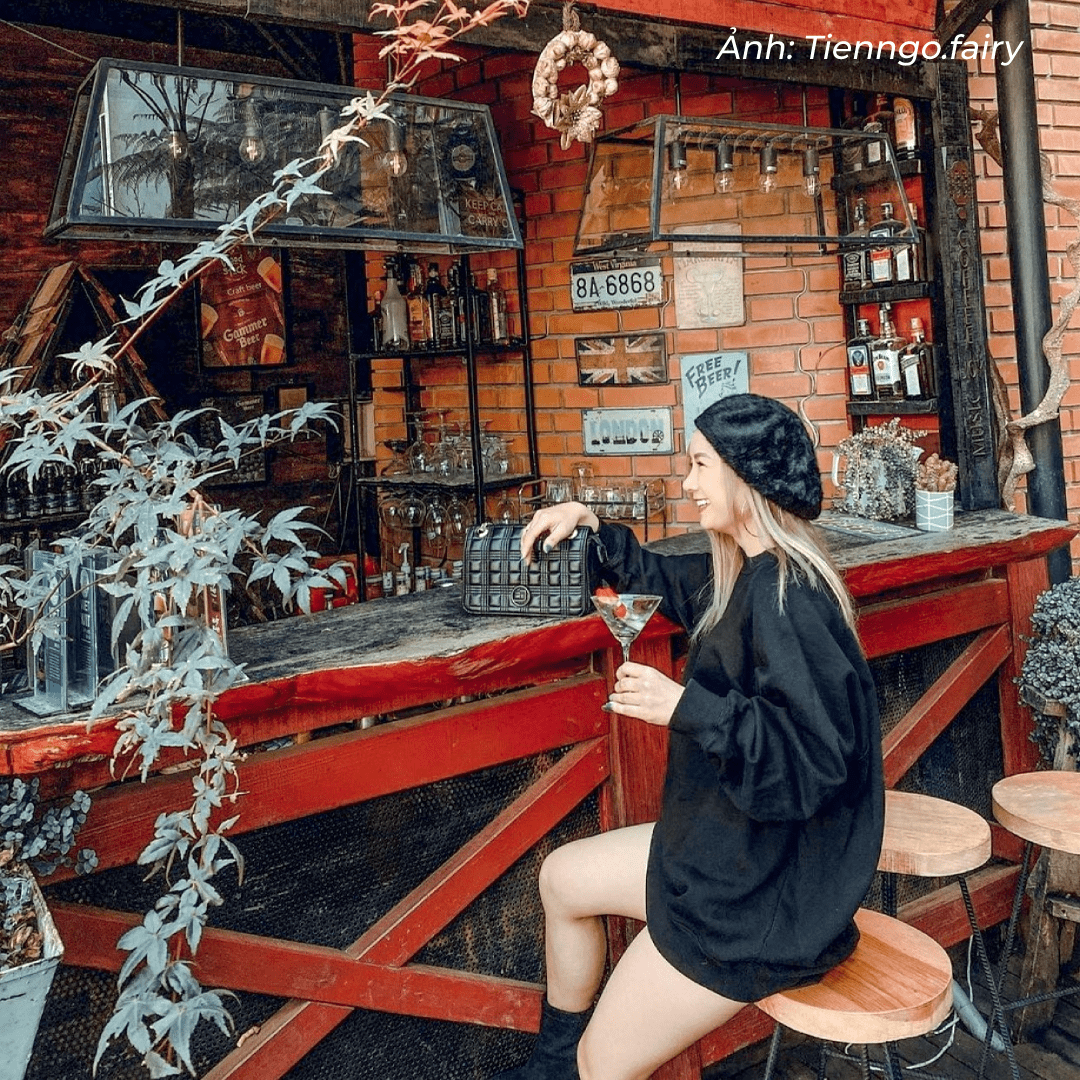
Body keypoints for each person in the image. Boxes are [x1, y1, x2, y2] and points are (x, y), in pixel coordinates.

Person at [496, 393, 884, 1080]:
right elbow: (664, 581)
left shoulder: (788, 599)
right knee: (563, 880)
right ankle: (549, 1071)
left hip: (761, 899)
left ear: (746, 476)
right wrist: (590, 526)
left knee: (602, 1066)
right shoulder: (742, 572)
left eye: (701, 465)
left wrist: (686, 707)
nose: (688, 483)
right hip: (725, 849)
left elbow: (814, 764)